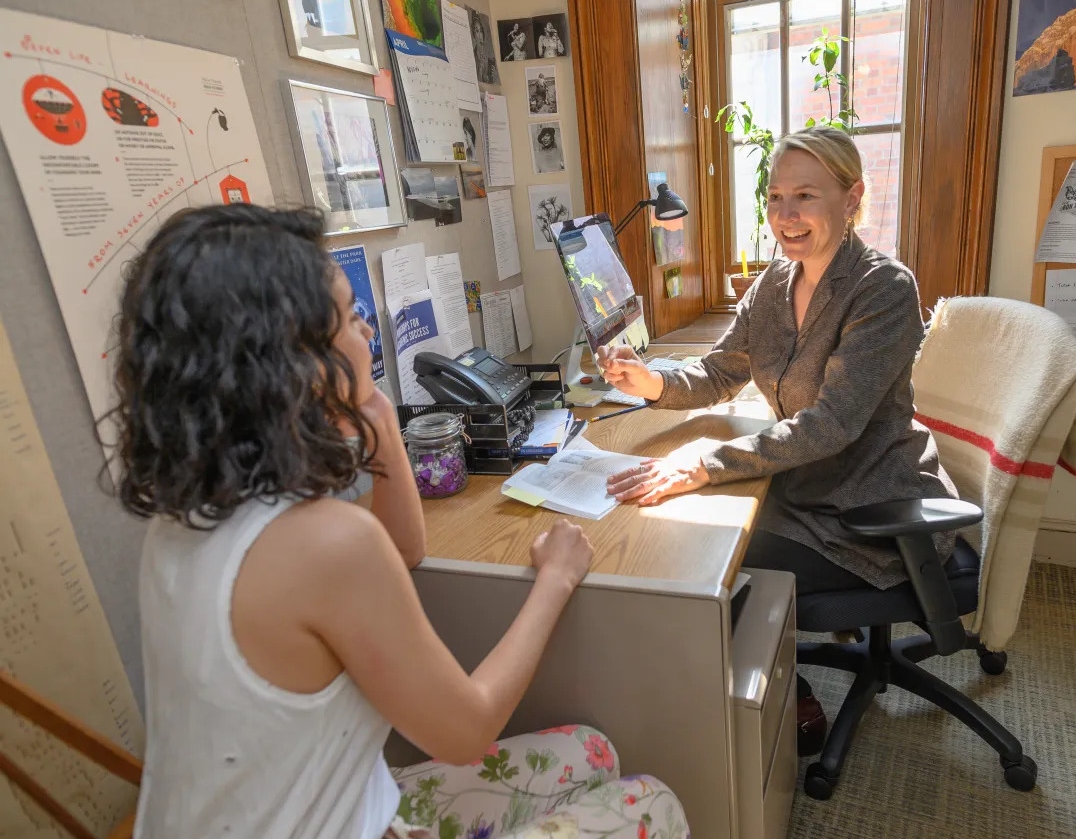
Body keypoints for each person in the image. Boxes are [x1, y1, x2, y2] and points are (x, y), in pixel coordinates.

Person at [110, 204, 689, 839]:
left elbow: (406, 549)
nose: (366, 329)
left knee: (592, 749)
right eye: (350, 317)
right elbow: (467, 731)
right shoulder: (325, 542)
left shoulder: (187, 513)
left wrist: (376, 409)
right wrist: (555, 578)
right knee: (653, 801)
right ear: (290, 363)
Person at [595, 125, 959, 756]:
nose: (786, 216)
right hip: (806, 486)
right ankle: (746, 682)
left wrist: (706, 465)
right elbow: (717, 370)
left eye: (806, 198)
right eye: (775, 197)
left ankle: (785, 701)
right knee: (688, 534)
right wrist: (649, 381)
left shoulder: (883, 289)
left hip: (873, 508)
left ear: (852, 200)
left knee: (709, 560)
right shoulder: (773, 285)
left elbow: (832, 423)